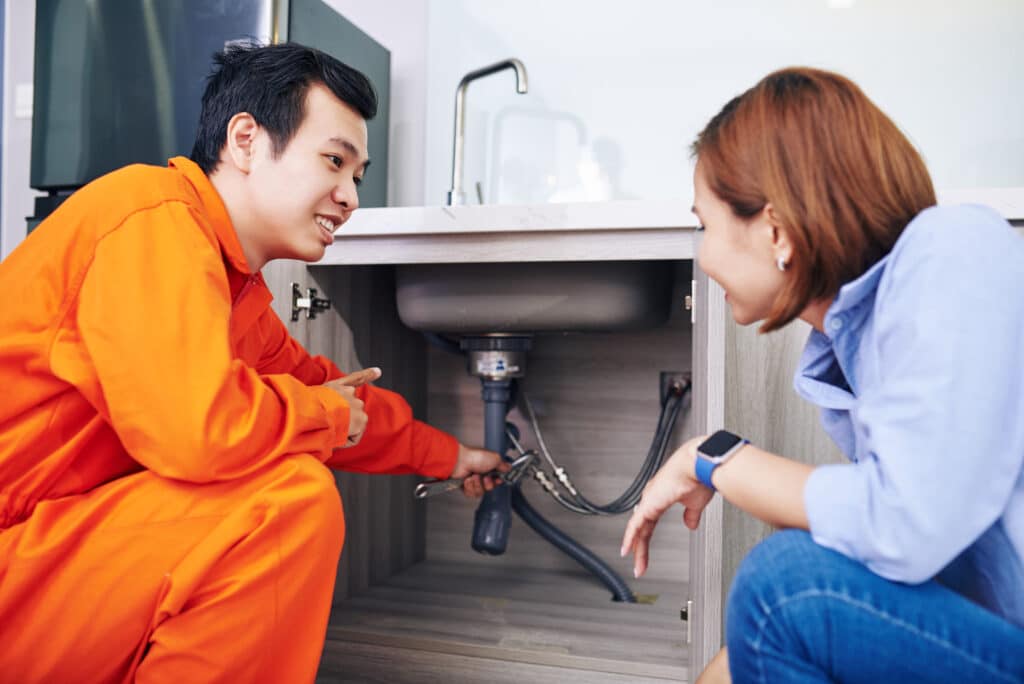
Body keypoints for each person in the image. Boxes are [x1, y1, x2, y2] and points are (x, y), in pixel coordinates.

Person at [0, 43, 504, 682]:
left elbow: (331, 396)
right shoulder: (151, 217)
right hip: (16, 552)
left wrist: (451, 458)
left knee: (285, 477)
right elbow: (201, 430)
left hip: (48, 551)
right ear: (245, 140)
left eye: (358, 175)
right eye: (333, 161)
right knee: (286, 501)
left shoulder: (235, 295)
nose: (349, 197)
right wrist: (323, 414)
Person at [621, 67, 1024, 683]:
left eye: (706, 225)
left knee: (784, 588)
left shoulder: (954, 251)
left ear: (776, 230)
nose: (702, 255)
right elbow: (875, 542)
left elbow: (904, 525)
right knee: (730, 666)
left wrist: (714, 458)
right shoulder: (855, 339)